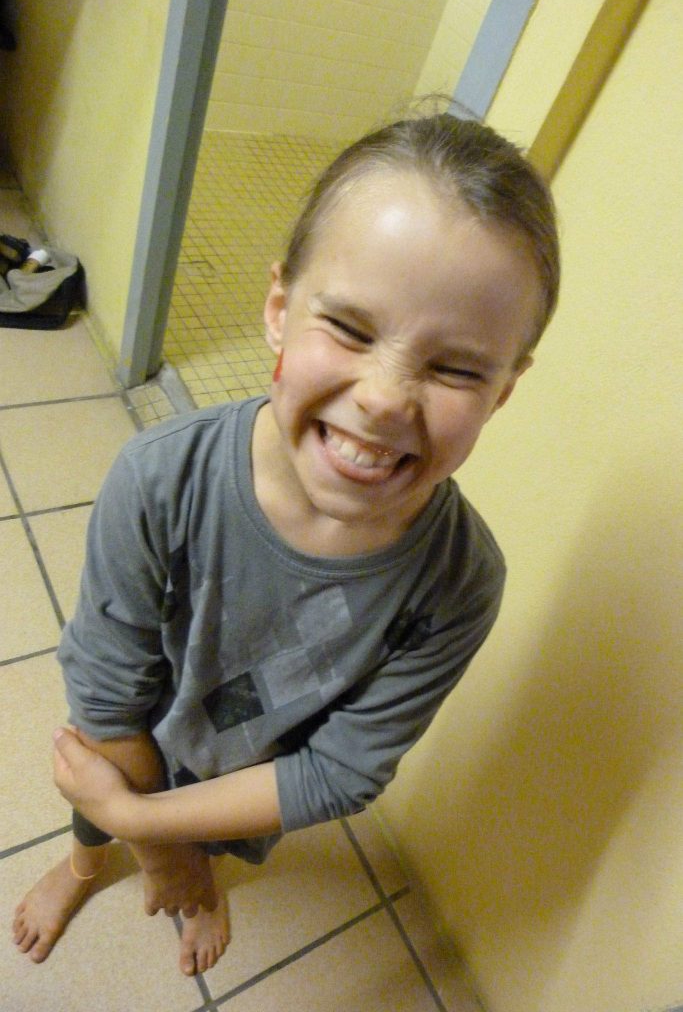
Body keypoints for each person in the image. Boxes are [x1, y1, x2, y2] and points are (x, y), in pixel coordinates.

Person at [13, 106, 559, 977]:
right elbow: (109, 701)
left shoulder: (459, 582)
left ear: (502, 390)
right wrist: (134, 838)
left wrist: (152, 830)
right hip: (129, 745)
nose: (383, 397)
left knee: (215, 842)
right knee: (93, 799)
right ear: (277, 309)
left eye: (456, 368)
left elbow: (339, 772)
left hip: (251, 774)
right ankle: (82, 866)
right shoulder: (161, 478)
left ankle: (193, 866)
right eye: (349, 328)